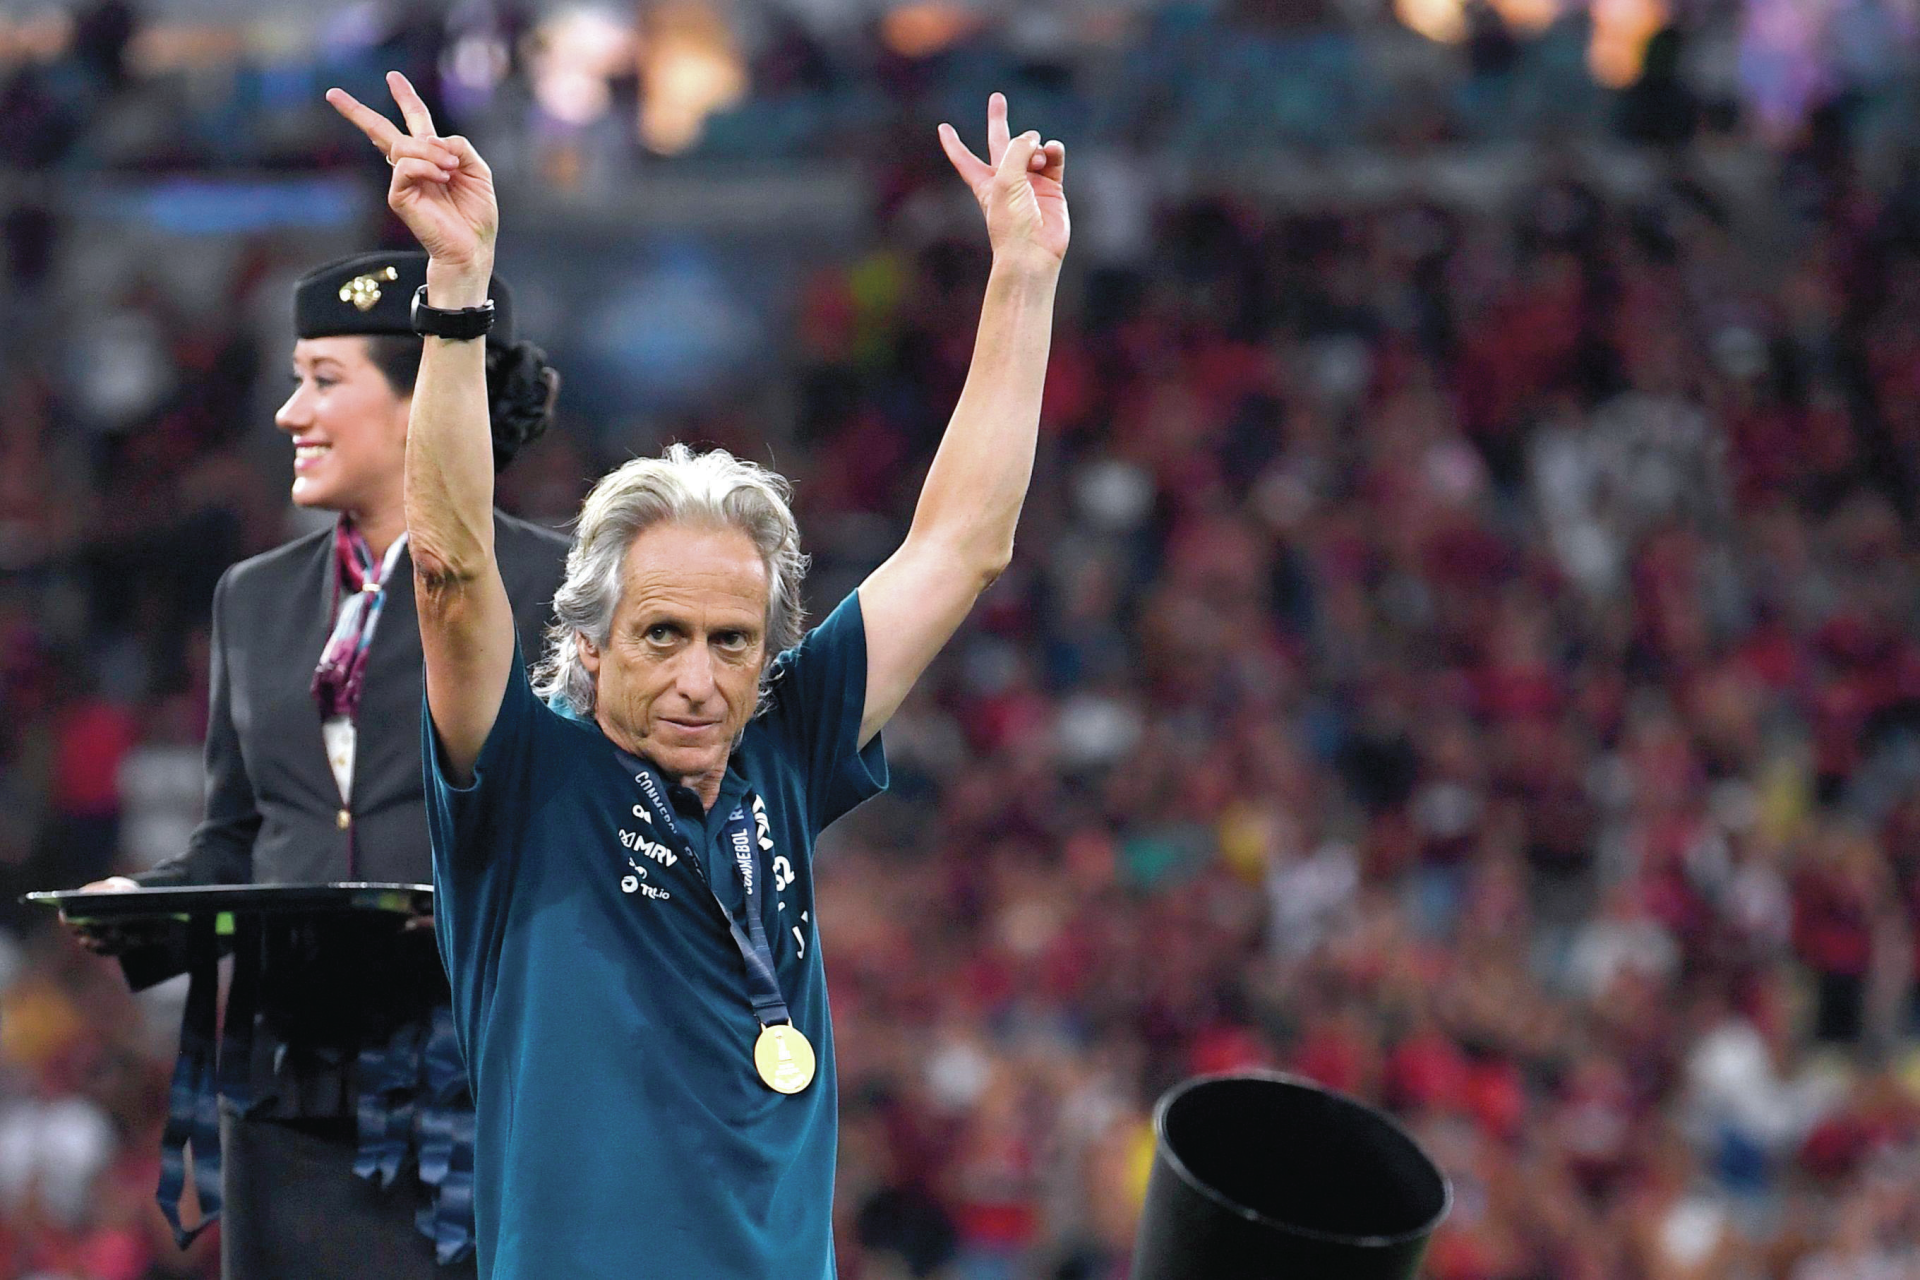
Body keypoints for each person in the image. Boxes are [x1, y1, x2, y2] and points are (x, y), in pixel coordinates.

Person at [325, 71, 1068, 1278]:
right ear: (589, 642)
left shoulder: (786, 739)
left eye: (733, 642)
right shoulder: (522, 779)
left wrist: (1025, 276)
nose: (699, 679)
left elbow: (961, 542)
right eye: (661, 634)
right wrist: (458, 297)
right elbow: (453, 572)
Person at [65, 248, 570, 1278]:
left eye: (325, 379)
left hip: (485, 1088)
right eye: (294, 376)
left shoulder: (558, 585)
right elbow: (237, 838)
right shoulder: (250, 598)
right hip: (286, 1102)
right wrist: (143, 903)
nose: (291, 411)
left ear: (425, 401)